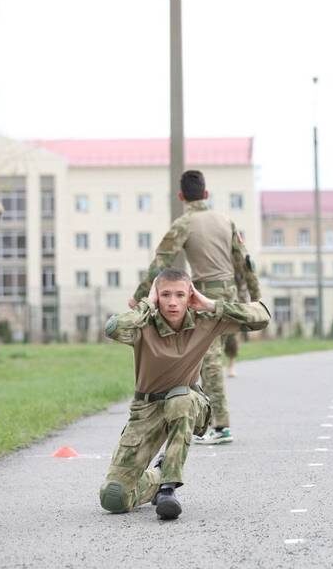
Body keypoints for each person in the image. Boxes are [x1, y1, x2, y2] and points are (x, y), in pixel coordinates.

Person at [100, 269, 270, 519]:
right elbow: (114, 328)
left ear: (190, 295)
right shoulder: (143, 324)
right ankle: (157, 479)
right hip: (146, 411)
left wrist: (210, 304)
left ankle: (169, 489)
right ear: (156, 296)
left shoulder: (204, 320)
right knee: (114, 498)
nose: (172, 302)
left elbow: (262, 317)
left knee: (179, 399)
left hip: (190, 403)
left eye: (180, 294)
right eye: (165, 294)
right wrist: (147, 304)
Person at [131, 170, 261, 446]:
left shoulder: (184, 223)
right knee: (212, 357)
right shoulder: (226, 220)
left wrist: (140, 296)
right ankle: (205, 419)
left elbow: (160, 262)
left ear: (181, 197)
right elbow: (245, 262)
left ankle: (221, 426)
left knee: (210, 359)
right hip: (231, 293)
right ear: (206, 194)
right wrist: (255, 299)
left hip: (205, 295)